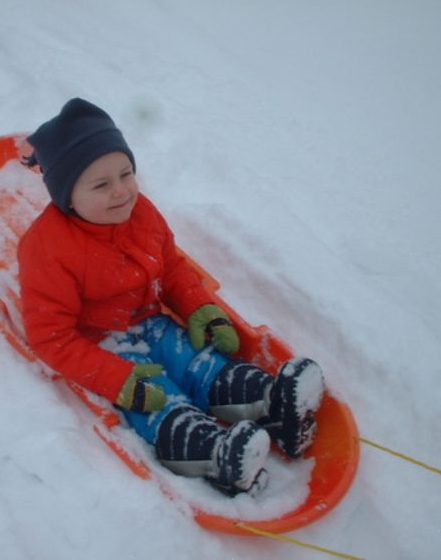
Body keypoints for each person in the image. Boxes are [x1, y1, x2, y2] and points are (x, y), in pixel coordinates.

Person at [18, 98, 324, 496]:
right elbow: (50, 337)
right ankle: (216, 455)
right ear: (67, 196)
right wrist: (115, 378)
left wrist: (201, 308)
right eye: (101, 184)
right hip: (103, 345)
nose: (121, 192)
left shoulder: (141, 212)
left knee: (200, 362)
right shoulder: (47, 250)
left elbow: (171, 267)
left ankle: (273, 404)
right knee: (158, 397)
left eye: (126, 174)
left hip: (151, 320)